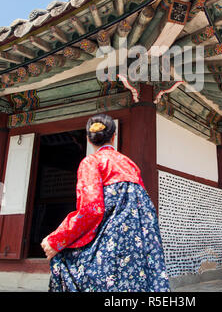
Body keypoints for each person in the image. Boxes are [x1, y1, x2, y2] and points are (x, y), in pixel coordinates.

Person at [41, 113, 170, 292]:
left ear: (88, 138)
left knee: (62, 261)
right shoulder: (130, 164)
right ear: (114, 136)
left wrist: (57, 240)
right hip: (137, 247)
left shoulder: (91, 162)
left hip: (107, 247)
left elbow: (91, 209)